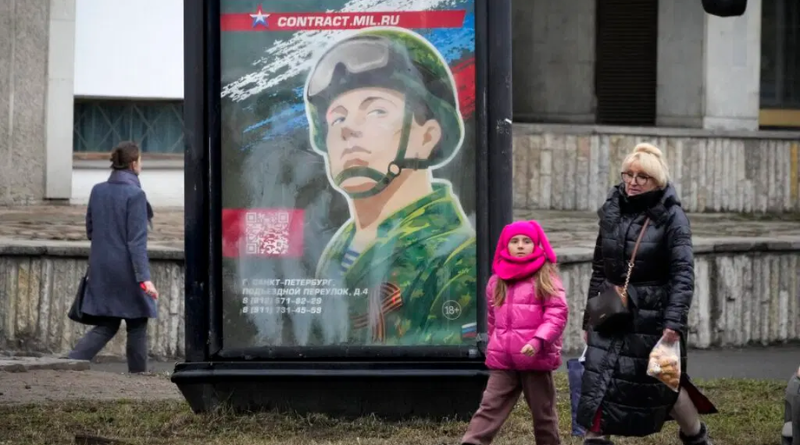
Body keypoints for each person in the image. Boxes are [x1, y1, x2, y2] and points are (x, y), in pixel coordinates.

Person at [304, 27, 476, 346]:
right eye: (337, 119)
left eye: (377, 111)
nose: (349, 130)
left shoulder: (454, 259)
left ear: (427, 137)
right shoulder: (342, 247)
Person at [577, 143, 717, 445]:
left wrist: (673, 322)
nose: (633, 182)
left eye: (642, 176)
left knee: (665, 384)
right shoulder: (612, 210)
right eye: (628, 174)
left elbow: (683, 273)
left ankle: (697, 438)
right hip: (611, 311)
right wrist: (590, 318)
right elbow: (600, 268)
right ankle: (595, 438)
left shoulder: (671, 216)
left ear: (657, 180)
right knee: (598, 383)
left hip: (653, 318)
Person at [461, 220, 568, 445]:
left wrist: (539, 341)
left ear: (536, 245)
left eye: (527, 241)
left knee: (543, 415)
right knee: (489, 408)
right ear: (505, 246)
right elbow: (493, 320)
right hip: (504, 360)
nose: (520, 245)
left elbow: (556, 314)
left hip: (535, 360)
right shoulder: (496, 281)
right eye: (515, 241)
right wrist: (494, 346)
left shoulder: (545, 278)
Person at [67, 141, 159, 374]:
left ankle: (69, 364)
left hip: (100, 267)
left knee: (107, 323)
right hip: (127, 270)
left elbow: (90, 230)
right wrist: (145, 279)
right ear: (133, 163)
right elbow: (136, 242)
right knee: (137, 323)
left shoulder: (98, 190)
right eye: (140, 160)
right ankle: (139, 377)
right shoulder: (136, 194)